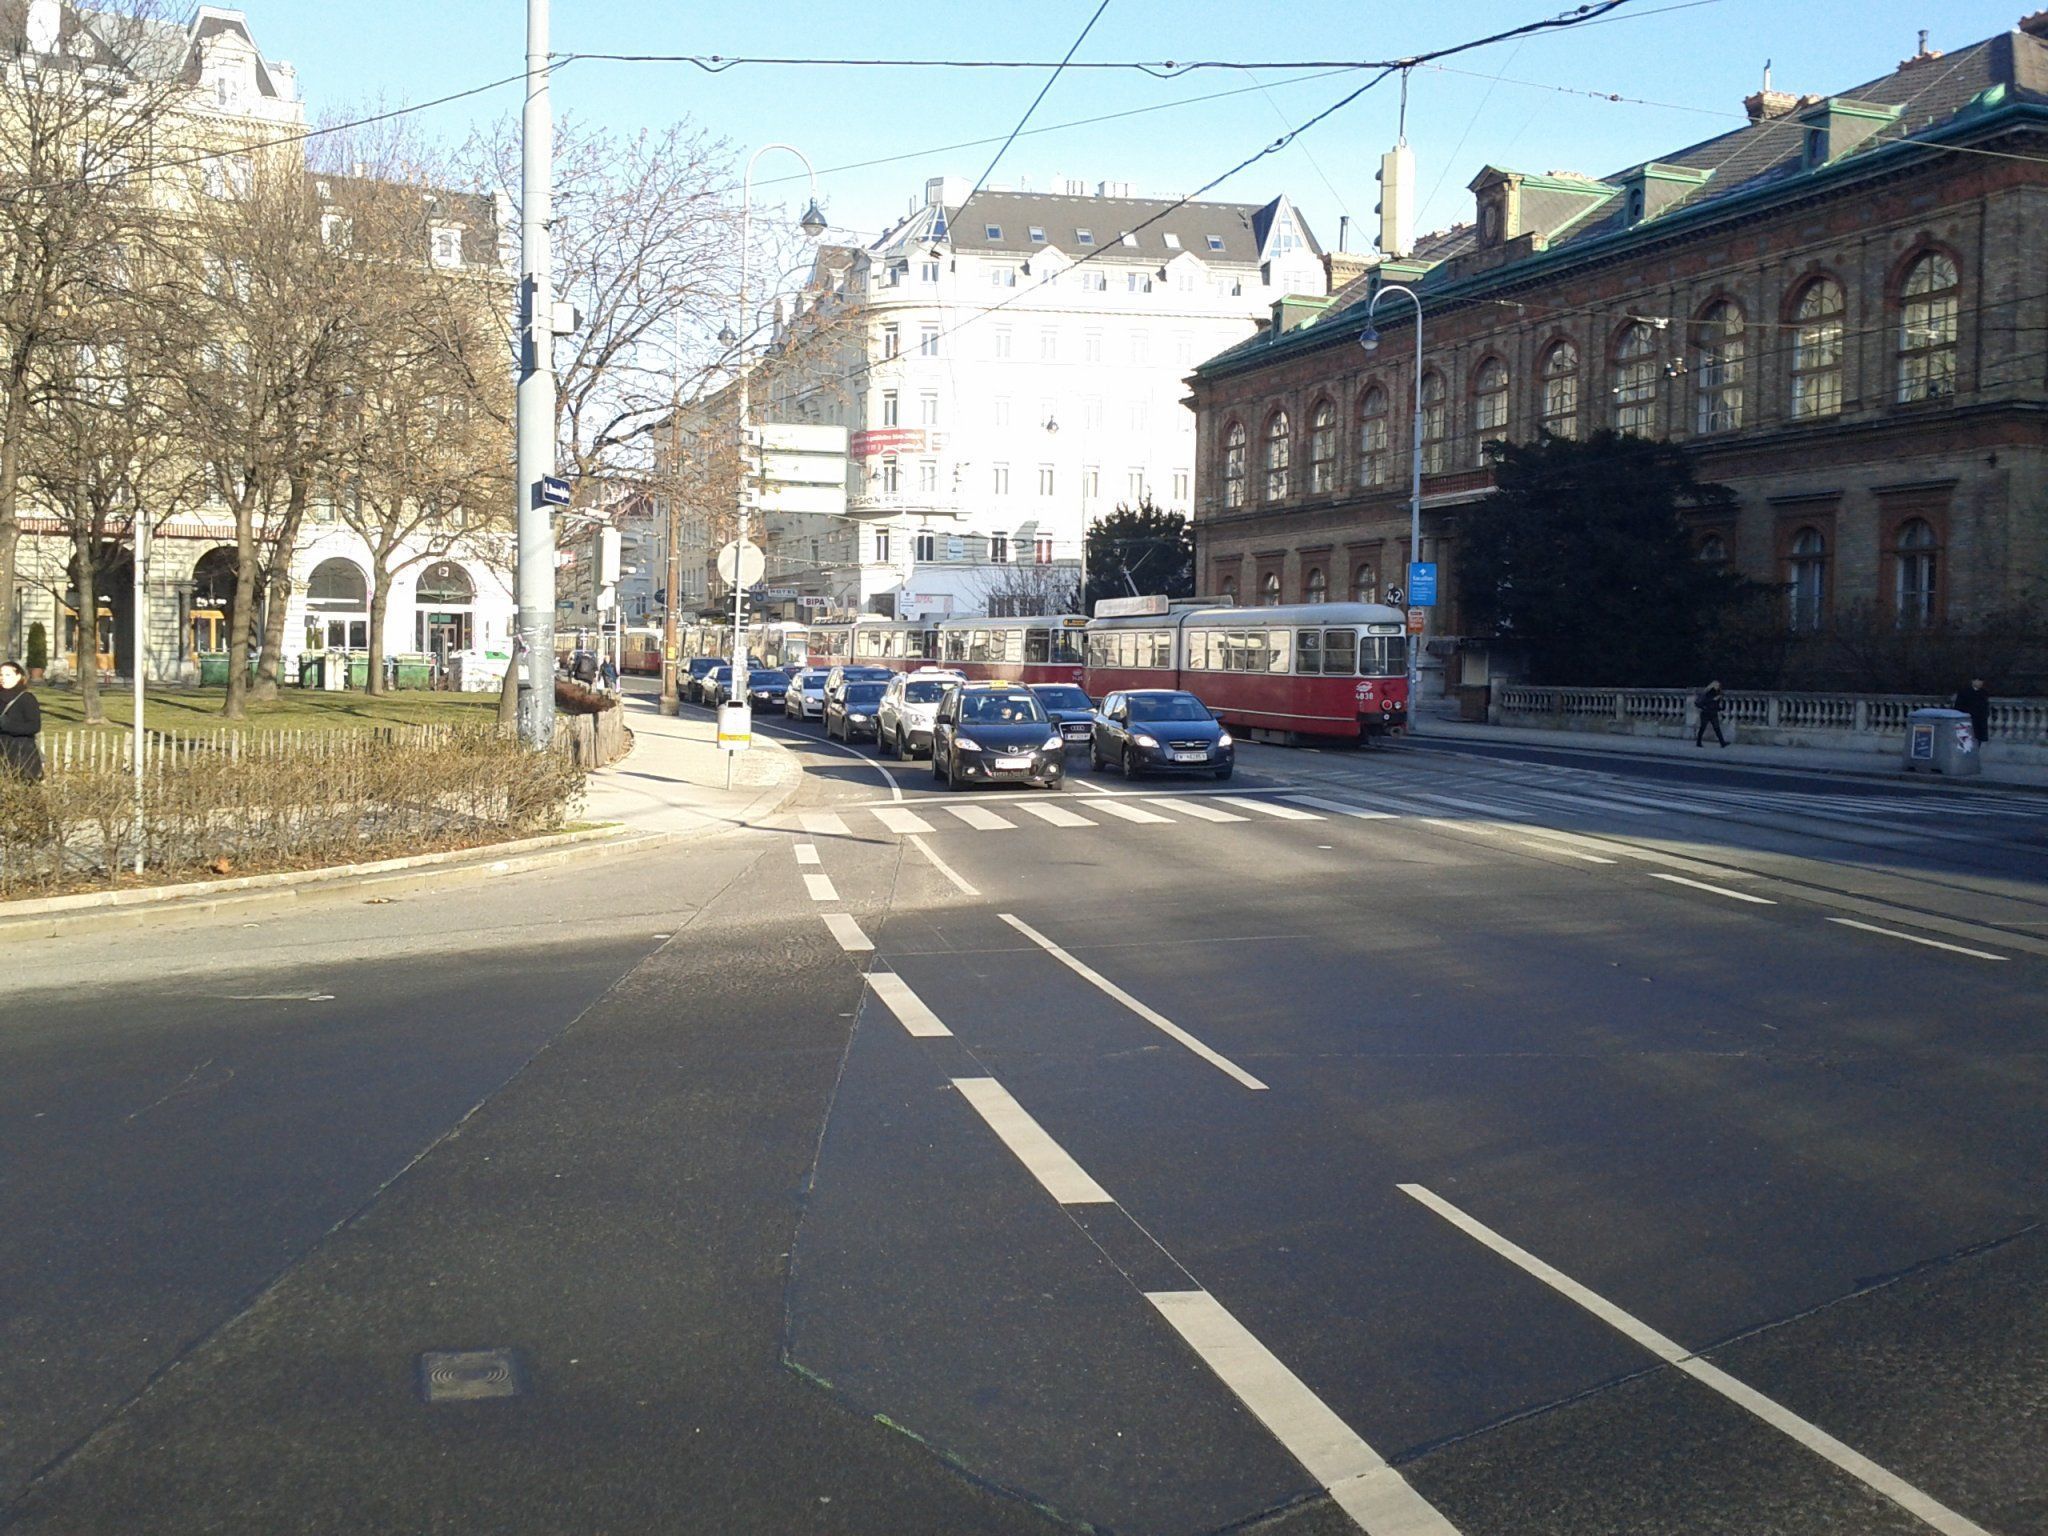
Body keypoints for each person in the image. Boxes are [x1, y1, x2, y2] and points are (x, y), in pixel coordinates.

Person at [0, 659, 44, 781]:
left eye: (8, 675)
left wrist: (7, 725)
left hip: (21, 753)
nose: (3, 678)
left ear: (18, 676)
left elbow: (34, 726)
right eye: (1, 674)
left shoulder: (26, 698)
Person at [1952, 677, 1992, 747]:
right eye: (1978, 680)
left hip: (1980, 720)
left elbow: (1985, 706)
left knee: (1978, 740)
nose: (1980, 683)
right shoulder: (1964, 692)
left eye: (1981, 681)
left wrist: (1985, 715)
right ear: (1973, 681)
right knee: (1967, 739)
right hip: (1968, 720)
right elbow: (1958, 707)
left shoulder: (1984, 692)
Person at [1693, 679, 1728, 748]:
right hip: (1706, 713)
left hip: (1712, 712)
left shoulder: (1717, 694)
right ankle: (1698, 742)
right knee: (1703, 728)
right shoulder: (1707, 693)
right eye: (1718, 685)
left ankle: (1722, 742)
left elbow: (1716, 704)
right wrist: (1707, 706)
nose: (1719, 687)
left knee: (1716, 728)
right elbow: (1700, 702)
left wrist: (1720, 707)